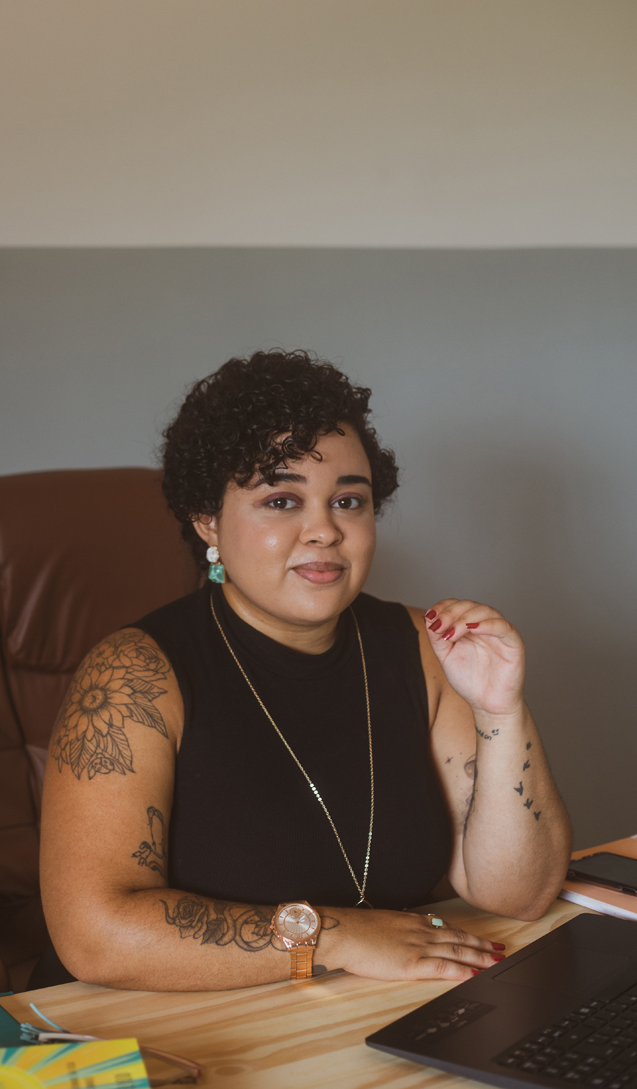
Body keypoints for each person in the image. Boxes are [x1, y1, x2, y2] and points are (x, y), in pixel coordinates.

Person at [39, 350, 571, 991]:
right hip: (176, 1018)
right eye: (282, 500)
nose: (324, 531)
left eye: (348, 500)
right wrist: (338, 936)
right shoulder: (132, 678)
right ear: (208, 520)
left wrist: (499, 711)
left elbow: (519, 894)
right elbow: (93, 935)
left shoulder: (427, 649)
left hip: (365, 1007)